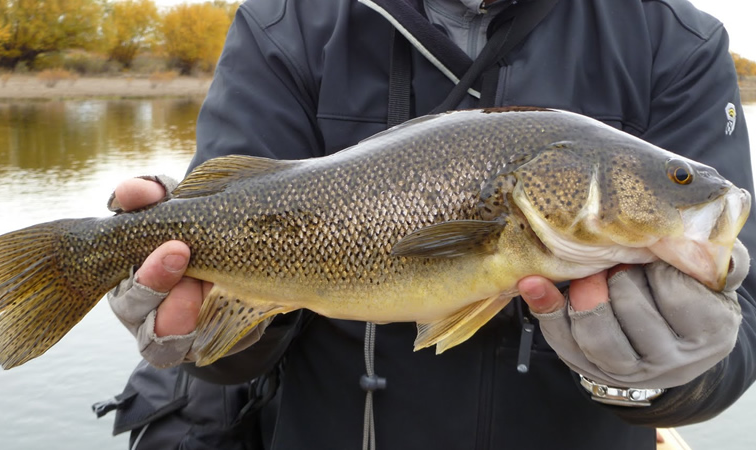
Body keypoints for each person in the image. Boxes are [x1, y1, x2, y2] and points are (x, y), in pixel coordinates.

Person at [104, 0, 756, 448]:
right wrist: (203, 331)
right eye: (676, 179)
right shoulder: (286, 23)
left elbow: (739, 334)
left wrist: (666, 378)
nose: (699, 194)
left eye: (677, 180)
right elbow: (230, 353)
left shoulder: (677, 41)